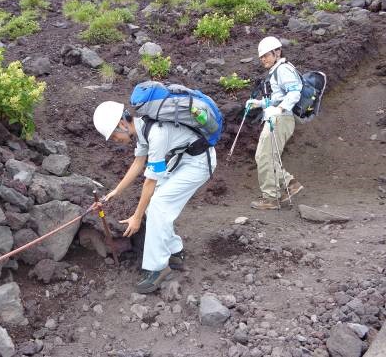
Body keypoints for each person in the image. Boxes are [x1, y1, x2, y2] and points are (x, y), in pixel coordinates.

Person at [93, 100, 216, 293]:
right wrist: (116, 191)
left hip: (198, 163)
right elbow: (138, 163)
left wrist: (136, 217)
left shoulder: (156, 133)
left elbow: (150, 182)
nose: (114, 140)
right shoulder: (143, 129)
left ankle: (158, 268)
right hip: (184, 159)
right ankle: (175, 252)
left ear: (122, 124)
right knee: (157, 207)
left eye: (113, 135)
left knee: (158, 204)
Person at [246, 36, 304, 210]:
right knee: (264, 156)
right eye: (261, 56)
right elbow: (278, 97)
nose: (263, 59)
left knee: (264, 157)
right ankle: (289, 184)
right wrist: (260, 103)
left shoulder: (284, 69)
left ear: (277, 52)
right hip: (277, 117)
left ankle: (271, 198)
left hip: (281, 119)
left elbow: (294, 92)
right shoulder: (277, 70)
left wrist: (279, 110)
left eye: (266, 55)